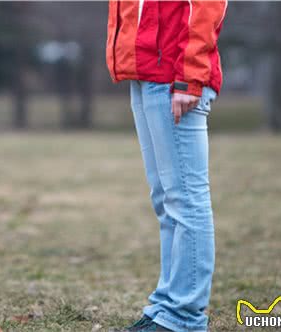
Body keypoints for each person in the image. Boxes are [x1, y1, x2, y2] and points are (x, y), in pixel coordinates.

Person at [106, 1, 227, 331]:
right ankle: (166, 306)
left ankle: (184, 316)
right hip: (146, 73)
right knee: (166, 200)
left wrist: (191, 75)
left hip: (176, 76)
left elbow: (207, 6)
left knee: (186, 200)